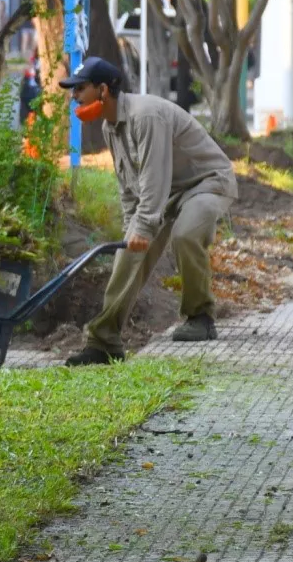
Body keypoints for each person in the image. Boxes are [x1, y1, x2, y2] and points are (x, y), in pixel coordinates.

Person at [61, 55, 237, 366]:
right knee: (129, 252)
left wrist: (143, 227)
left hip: (206, 182)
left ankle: (200, 317)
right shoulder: (110, 127)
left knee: (185, 234)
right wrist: (133, 228)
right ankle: (104, 342)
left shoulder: (146, 117)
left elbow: (154, 179)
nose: (74, 96)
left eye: (79, 89)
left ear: (102, 90)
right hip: (167, 191)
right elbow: (129, 188)